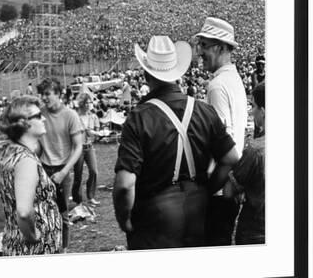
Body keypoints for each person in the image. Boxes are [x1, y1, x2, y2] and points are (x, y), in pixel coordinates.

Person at [113, 36, 239, 250]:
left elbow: (125, 185)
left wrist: (124, 219)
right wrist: (209, 188)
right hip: (198, 212)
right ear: (176, 73)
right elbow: (232, 158)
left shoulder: (139, 117)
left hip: (154, 219)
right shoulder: (203, 110)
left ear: (146, 74)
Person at [194, 17, 248, 246]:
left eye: (204, 46)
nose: (200, 53)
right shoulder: (233, 79)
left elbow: (224, 146)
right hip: (231, 184)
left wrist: (207, 190)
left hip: (219, 188)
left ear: (220, 47)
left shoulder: (217, 86)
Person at [0, 96, 62, 255]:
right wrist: (33, 236)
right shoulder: (26, 160)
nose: (44, 118)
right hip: (35, 250)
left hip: (19, 244)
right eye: (38, 116)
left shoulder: (11, 152)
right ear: (24, 123)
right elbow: (24, 212)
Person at [37, 78, 83, 252]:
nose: (45, 98)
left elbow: (78, 147)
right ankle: (46, 247)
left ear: (59, 94)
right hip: (42, 169)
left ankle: (63, 251)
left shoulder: (70, 115)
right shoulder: (39, 115)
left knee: (62, 215)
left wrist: (64, 172)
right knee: (42, 212)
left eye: (48, 94)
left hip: (62, 171)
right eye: (42, 94)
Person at [231, 82, 266, 244]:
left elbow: (228, 191)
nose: (251, 111)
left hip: (254, 231)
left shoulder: (254, 149)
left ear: (263, 111)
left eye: (253, 106)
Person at [72, 93, 101, 207]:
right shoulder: (74, 117)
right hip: (78, 149)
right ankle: (78, 200)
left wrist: (96, 133)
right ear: (82, 104)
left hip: (89, 147)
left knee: (94, 171)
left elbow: (94, 132)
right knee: (78, 175)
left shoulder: (92, 116)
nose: (90, 105)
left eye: (91, 102)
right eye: (88, 102)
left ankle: (91, 196)